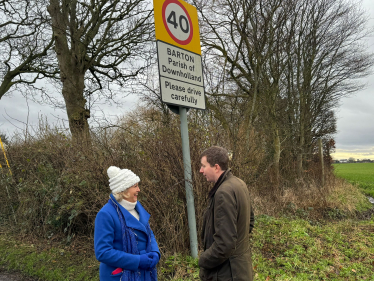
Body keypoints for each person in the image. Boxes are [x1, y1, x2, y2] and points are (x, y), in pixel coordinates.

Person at [198, 146, 254, 281]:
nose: (201, 170)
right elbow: (250, 222)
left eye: (203, 166)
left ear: (216, 167)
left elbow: (224, 245)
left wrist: (203, 260)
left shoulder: (223, 193)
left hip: (227, 273)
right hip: (240, 269)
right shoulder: (239, 184)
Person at [94, 166, 160, 281]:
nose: (139, 189)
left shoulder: (137, 207)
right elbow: (103, 252)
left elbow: (149, 233)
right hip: (122, 275)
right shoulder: (106, 214)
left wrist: (155, 252)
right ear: (123, 190)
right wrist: (138, 261)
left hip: (144, 274)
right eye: (135, 186)